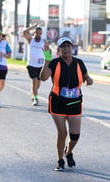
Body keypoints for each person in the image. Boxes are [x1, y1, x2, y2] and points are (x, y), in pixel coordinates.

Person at [40, 37, 93, 171]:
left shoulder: (79, 63)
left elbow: (86, 76)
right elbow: (43, 77)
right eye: (63, 47)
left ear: (72, 48)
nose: (66, 48)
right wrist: (46, 60)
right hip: (58, 101)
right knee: (62, 133)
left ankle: (68, 152)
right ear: (59, 50)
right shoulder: (54, 63)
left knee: (75, 136)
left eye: (68, 46)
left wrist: (89, 79)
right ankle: (60, 160)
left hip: (74, 102)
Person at [23, 23, 47, 106]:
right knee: (34, 81)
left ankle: (33, 92)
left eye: (40, 33)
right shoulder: (30, 40)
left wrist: (48, 61)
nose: (38, 34)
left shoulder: (43, 42)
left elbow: (48, 51)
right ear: (34, 33)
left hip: (40, 65)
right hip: (31, 65)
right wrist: (33, 26)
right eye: (37, 33)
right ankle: (36, 99)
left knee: (38, 84)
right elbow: (24, 32)